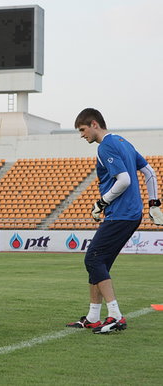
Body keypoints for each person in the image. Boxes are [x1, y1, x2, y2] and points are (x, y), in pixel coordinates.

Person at [66, 108, 163, 334]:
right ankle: (93, 317)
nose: (82, 135)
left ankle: (116, 316)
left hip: (121, 214)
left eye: (82, 130)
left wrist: (102, 202)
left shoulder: (105, 146)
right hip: (129, 214)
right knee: (99, 264)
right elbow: (149, 172)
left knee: (93, 259)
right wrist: (154, 203)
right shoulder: (124, 143)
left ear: (94, 124)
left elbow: (124, 180)